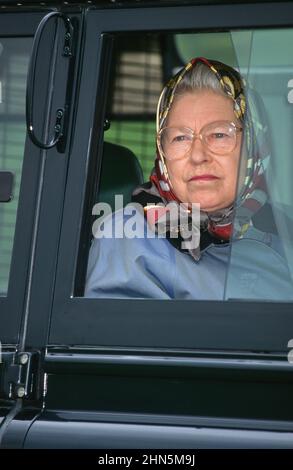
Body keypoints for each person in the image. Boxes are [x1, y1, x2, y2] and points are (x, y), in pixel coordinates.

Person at [85, 57, 293, 300]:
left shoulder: (282, 224)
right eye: (180, 138)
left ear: (255, 146)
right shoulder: (129, 236)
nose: (198, 155)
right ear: (162, 153)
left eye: (218, 134)